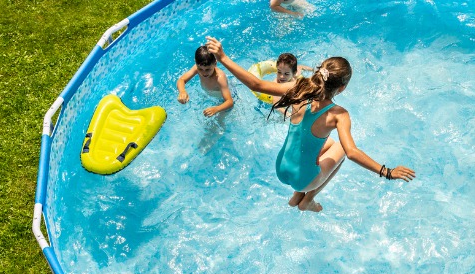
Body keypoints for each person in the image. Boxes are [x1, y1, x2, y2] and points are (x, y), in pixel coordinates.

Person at [205, 36, 416, 212]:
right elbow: (352, 152)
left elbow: (256, 83)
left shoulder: (298, 87)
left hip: (280, 168)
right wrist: (387, 172)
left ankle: (297, 194)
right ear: (341, 89)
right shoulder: (339, 115)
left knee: (325, 143)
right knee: (342, 147)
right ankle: (307, 199)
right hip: (305, 179)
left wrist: (222, 57)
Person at [176, 45, 234, 117]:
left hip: (223, 100)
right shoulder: (197, 67)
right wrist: (182, 91)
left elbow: (230, 102)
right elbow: (181, 80)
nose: (204, 73)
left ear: (215, 64)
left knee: (218, 123)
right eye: (200, 69)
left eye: (208, 69)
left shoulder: (220, 78)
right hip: (210, 94)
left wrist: (216, 109)